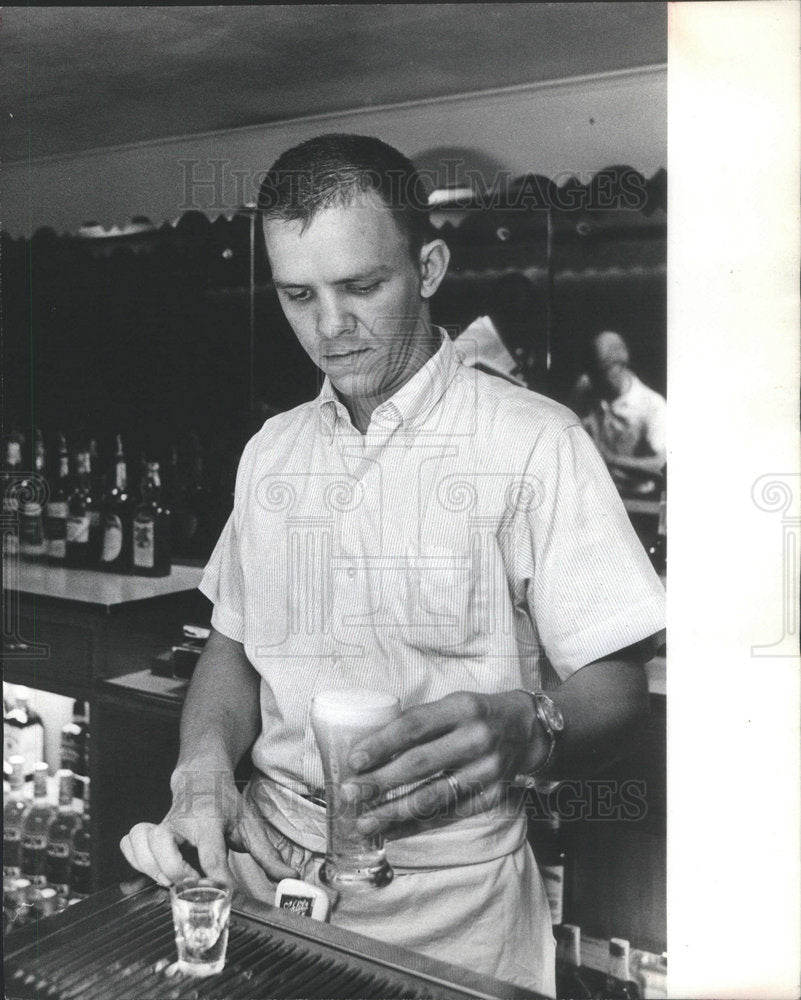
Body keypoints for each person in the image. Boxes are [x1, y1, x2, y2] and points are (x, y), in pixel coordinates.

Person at [120, 134, 665, 996]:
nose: (328, 328)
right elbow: (232, 649)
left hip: (451, 903)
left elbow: (618, 684)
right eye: (298, 295)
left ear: (430, 266)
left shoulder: (533, 442)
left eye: (360, 287)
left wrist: (532, 721)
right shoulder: (272, 452)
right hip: (269, 876)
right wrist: (202, 771)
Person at [569, 330, 667, 496]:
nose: (591, 378)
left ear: (620, 366)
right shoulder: (586, 387)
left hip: (634, 499)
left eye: (599, 372)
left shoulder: (652, 405)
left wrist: (609, 459)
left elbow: (662, 465)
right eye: (590, 371)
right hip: (591, 495)